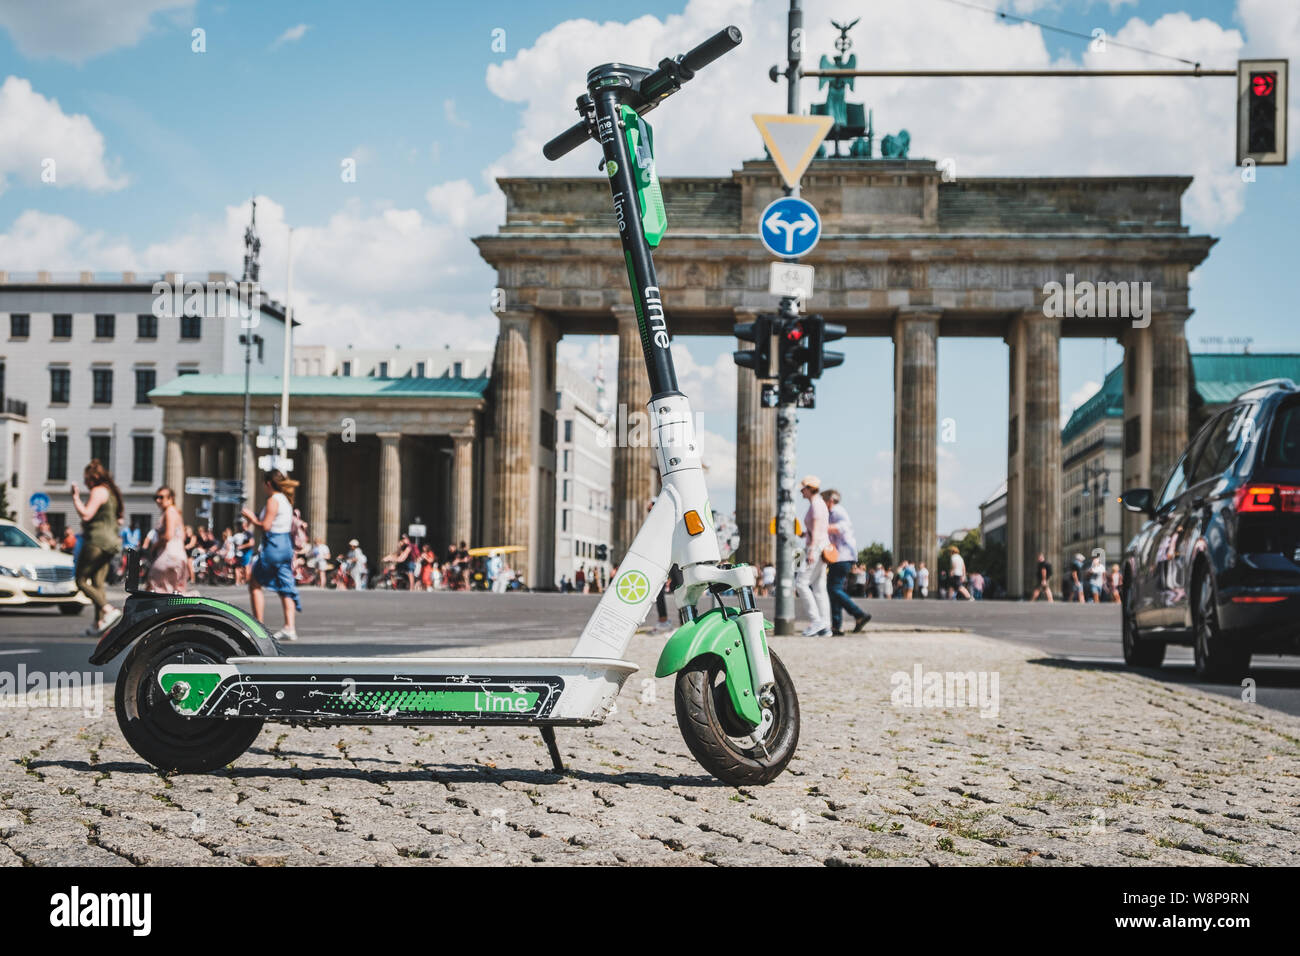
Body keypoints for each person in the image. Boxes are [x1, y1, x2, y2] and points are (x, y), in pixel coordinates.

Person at [241, 470, 301, 641]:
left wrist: (252, 518)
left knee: (254, 583)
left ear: (268, 483)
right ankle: (290, 627)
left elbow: (265, 526)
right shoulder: (286, 500)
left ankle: (257, 626)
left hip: (273, 544)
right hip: (286, 546)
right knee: (285, 586)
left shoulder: (273, 500)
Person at [70, 459, 124, 634]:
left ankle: (108, 610)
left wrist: (76, 498)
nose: (86, 483)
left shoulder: (98, 491)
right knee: (98, 583)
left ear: (93, 478)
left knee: (80, 580)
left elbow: (86, 515)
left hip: (96, 542)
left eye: (86, 480)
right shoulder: (112, 493)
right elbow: (119, 519)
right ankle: (98, 624)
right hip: (111, 543)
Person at [821, 489, 870, 634]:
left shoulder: (837, 511)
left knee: (833, 588)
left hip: (843, 556)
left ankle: (858, 614)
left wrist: (821, 527)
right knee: (834, 588)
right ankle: (837, 625)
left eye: (823, 500)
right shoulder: (832, 512)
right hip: (840, 556)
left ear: (830, 500)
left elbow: (843, 527)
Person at [794, 475, 831, 636]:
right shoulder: (820, 504)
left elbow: (816, 529)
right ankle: (825, 624)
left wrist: (810, 550)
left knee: (801, 583)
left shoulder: (815, 505)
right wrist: (804, 535)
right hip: (822, 546)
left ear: (809, 489)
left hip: (815, 548)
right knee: (819, 587)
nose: (801, 491)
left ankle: (816, 620)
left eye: (803, 488)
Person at [147, 486, 190, 594]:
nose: (158, 500)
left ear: (171, 498)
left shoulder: (169, 511)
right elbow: (183, 537)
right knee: (176, 595)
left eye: (161, 497)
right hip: (180, 557)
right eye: (156, 497)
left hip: (167, 557)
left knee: (154, 590)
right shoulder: (177, 512)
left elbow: (168, 535)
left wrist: (154, 546)